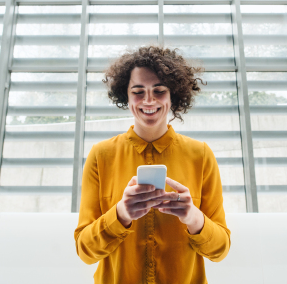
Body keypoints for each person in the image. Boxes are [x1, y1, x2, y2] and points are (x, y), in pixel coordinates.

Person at [74, 46, 230, 284]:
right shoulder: (100, 156)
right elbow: (85, 251)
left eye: (159, 90)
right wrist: (121, 214)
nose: (148, 100)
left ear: (173, 95)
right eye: (138, 91)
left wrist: (194, 218)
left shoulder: (201, 155)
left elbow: (220, 250)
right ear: (125, 96)